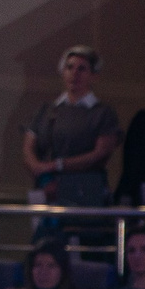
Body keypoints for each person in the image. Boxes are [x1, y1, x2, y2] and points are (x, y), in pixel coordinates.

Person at [24, 46, 120, 208]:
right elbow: (29, 146)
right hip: (46, 188)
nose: (74, 73)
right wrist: (37, 168)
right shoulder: (47, 110)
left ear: (94, 76)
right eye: (69, 67)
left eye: (81, 69)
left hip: (85, 190)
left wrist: (58, 165)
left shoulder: (102, 113)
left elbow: (100, 153)